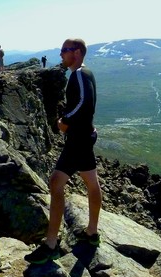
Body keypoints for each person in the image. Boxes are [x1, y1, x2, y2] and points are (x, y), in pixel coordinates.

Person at [24, 38, 102, 264]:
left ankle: (50, 245)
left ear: (76, 53)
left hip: (77, 138)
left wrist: (65, 121)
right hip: (85, 136)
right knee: (91, 181)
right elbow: (87, 104)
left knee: (56, 183)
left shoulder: (78, 74)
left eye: (64, 51)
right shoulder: (87, 73)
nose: (61, 55)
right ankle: (92, 233)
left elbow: (84, 103)